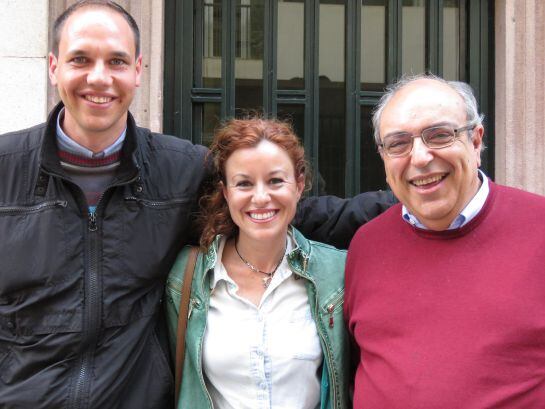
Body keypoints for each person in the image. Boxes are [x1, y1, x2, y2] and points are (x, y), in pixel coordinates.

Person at [0, 1, 394, 408]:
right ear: (53, 67)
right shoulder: (6, 170)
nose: (99, 78)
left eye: (116, 61)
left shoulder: (181, 170)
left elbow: (276, 212)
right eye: (80, 59)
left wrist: (413, 199)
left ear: (137, 71)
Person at [344, 74, 545, 408]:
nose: (420, 157)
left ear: (477, 141)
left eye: (439, 135)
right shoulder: (366, 246)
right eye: (398, 144)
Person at [165, 118, 349, 409]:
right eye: (244, 184)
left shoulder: (337, 273)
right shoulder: (186, 277)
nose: (261, 197)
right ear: (226, 192)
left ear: (299, 185)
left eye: (276, 181)